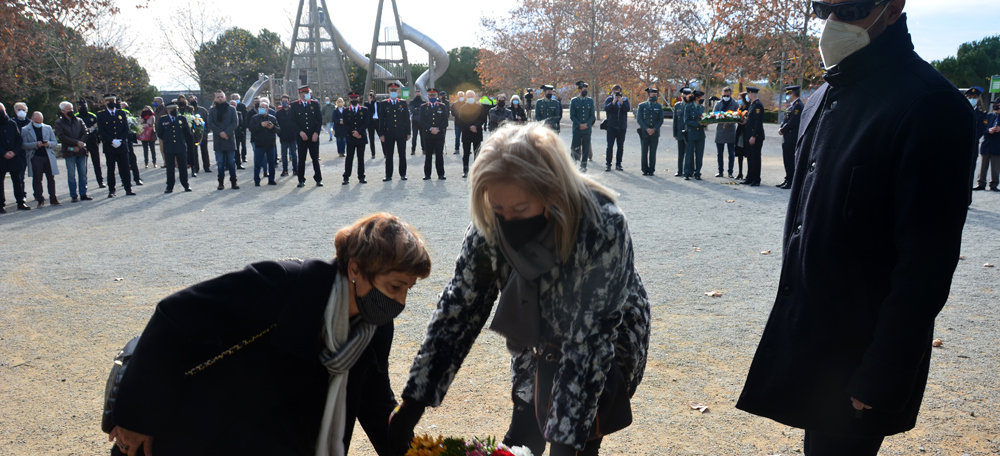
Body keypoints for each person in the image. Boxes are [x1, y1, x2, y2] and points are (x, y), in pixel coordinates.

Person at [736, 2, 976, 455]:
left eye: (850, 8)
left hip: (862, 357)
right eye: (823, 8)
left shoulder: (933, 107)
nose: (833, 23)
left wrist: (883, 371)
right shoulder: (821, 98)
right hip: (813, 343)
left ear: (893, 7)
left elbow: (926, 264)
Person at [388, 123, 651, 456]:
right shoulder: (489, 226)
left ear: (551, 192)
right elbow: (459, 309)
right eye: (499, 209)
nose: (508, 220)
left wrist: (565, 444)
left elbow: (589, 342)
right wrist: (413, 402)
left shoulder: (601, 225)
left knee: (577, 442)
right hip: (535, 331)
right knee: (525, 432)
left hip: (605, 339)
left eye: (521, 209)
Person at [106, 213, 432, 456]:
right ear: (356, 268)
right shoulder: (283, 284)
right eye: (394, 287)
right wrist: (136, 417)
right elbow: (174, 318)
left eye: (408, 290)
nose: (400, 301)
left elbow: (375, 402)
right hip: (205, 434)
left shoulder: (374, 324)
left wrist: (418, 452)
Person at [97, 94, 135, 198]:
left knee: (125, 168)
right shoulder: (101, 115)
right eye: (108, 101)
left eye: (113, 101)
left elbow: (126, 130)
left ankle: (128, 188)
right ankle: (111, 190)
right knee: (111, 169)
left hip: (121, 145)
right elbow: (101, 130)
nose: (111, 103)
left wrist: (120, 140)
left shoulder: (121, 113)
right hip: (110, 146)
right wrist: (111, 140)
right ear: (105, 102)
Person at [54, 101, 91, 202]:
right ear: (63, 111)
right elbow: (62, 137)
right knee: (71, 175)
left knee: (83, 173)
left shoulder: (79, 120)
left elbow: (85, 132)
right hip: (69, 151)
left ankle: (83, 193)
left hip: (81, 151)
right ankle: (73, 195)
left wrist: (80, 143)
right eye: (69, 109)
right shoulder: (58, 123)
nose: (71, 111)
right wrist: (75, 143)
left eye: (72, 109)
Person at [21, 111, 60, 207]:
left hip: (47, 156)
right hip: (36, 156)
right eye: (37, 122)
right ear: (32, 119)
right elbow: (23, 144)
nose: (39, 124)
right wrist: (35, 144)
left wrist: (48, 144)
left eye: (41, 122)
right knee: (37, 179)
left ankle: (53, 197)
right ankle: (40, 199)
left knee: (51, 178)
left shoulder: (48, 127)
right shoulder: (25, 129)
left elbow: (54, 142)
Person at [156, 102, 193, 193]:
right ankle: (170, 186)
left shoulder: (182, 119)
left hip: (180, 146)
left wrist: (181, 139)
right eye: (172, 109)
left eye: (175, 109)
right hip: (169, 146)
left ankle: (185, 184)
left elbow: (187, 133)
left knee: (183, 167)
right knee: (170, 168)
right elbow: (160, 133)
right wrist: (167, 140)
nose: (174, 111)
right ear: (168, 110)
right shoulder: (163, 119)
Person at [206, 90, 240, 190]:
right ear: (215, 98)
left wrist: (226, 133)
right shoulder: (212, 110)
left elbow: (235, 122)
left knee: (231, 162)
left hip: (229, 139)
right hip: (218, 139)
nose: (220, 98)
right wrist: (220, 133)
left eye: (221, 96)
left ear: (225, 98)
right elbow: (211, 123)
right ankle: (221, 183)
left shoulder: (232, 109)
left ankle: (234, 182)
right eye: (218, 97)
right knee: (220, 163)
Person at [0, 102, 30, 212]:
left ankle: (21, 202)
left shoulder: (12, 123)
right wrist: (3, 153)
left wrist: (14, 152)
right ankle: (1, 205)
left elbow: (19, 139)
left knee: (18, 181)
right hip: (1, 158)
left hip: (14, 157)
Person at [378, 83, 411, 181]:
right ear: (389, 92)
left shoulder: (403, 103)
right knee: (389, 155)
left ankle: (403, 174)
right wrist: (381, 134)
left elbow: (407, 119)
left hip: (401, 132)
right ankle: (388, 175)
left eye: (395, 90)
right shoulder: (384, 103)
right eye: (391, 90)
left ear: (398, 91)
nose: (393, 92)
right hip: (389, 133)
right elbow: (381, 120)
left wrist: (408, 132)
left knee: (402, 154)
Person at [293, 85, 324, 187]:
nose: (307, 95)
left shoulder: (315, 104)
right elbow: (292, 121)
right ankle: (301, 180)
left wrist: (316, 133)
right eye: (305, 93)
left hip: (313, 136)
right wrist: (300, 132)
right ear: (300, 94)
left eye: (308, 93)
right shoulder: (294, 105)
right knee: (301, 159)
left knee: (315, 158)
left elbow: (319, 119)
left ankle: (318, 179)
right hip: (302, 137)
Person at [458, 90, 490, 179]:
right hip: (466, 132)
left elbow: (483, 118)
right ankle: (465, 171)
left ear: (475, 97)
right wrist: (470, 127)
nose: (470, 98)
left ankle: (477, 171)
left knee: (477, 153)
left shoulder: (480, 107)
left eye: (472, 96)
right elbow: (461, 120)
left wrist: (475, 126)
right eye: (468, 97)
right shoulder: (463, 107)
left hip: (477, 132)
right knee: (466, 153)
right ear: (466, 98)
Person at [248, 99, 280, 187]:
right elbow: (251, 128)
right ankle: (257, 180)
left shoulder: (272, 118)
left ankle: (271, 179)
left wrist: (272, 127)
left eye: (263, 107)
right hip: (259, 144)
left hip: (270, 144)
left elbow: (278, 130)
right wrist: (260, 125)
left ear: (267, 108)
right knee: (257, 163)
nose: (261, 108)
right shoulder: (254, 118)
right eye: (260, 107)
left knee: (271, 163)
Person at [776, 85, 803, 189]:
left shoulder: (798, 105)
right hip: (787, 137)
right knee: (787, 159)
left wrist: (783, 129)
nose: (787, 96)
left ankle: (791, 181)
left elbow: (793, 122)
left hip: (792, 137)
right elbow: (786, 119)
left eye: (788, 94)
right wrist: (782, 127)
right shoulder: (792, 105)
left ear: (792, 94)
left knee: (791, 159)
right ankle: (787, 178)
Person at [418, 89, 448, 180]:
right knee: (428, 155)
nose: (432, 97)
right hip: (428, 134)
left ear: (437, 97)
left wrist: (438, 129)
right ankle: (427, 174)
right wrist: (430, 128)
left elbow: (445, 121)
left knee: (439, 155)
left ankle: (441, 174)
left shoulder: (442, 106)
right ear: (428, 97)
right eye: (430, 96)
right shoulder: (423, 107)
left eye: (434, 96)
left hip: (439, 134)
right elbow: (421, 120)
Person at [342, 92, 369, 185]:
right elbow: (345, 125)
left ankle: (361, 176)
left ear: (358, 99)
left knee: (360, 158)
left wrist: (359, 132)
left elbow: (366, 123)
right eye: (352, 99)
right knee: (349, 158)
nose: (354, 100)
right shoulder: (346, 111)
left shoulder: (364, 110)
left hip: (361, 137)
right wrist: (353, 133)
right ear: (349, 100)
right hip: (351, 137)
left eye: (355, 98)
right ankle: (346, 177)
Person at [636, 87, 664, 176]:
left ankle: (651, 169)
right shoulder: (642, 106)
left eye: (655, 95)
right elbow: (639, 119)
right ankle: (644, 169)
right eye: (653, 95)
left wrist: (654, 129)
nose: (654, 97)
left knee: (653, 152)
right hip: (644, 132)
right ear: (648, 96)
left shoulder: (659, 106)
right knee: (644, 151)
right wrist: (647, 129)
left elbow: (661, 119)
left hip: (655, 133)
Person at [78, 100, 105, 188]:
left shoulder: (92, 116)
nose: (83, 107)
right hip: (83, 143)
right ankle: (84, 183)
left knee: (96, 163)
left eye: (84, 105)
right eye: (81, 106)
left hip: (93, 142)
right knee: (83, 165)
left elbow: (98, 127)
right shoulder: (76, 117)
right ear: (78, 107)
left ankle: (100, 181)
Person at [974, 97, 1000, 191]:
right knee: (983, 166)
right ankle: (981, 183)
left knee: (995, 167)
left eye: (998, 105)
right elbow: (982, 128)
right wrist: (989, 130)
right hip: (987, 144)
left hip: (997, 145)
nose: (996, 107)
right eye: (995, 105)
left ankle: (994, 184)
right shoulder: (988, 115)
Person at [713, 87, 739, 178]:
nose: (726, 97)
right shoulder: (718, 103)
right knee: (719, 153)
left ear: (730, 94)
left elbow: (738, 117)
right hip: (720, 130)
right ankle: (720, 171)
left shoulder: (735, 104)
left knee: (731, 153)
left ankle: (730, 172)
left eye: (727, 95)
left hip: (731, 131)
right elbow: (714, 115)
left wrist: (729, 122)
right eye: (724, 95)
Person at [604, 84, 630, 171]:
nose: (617, 95)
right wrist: (613, 102)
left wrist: (621, 102)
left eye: (618, 92)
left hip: (622, 127)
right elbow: (606, 108)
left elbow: (627, 109)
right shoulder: (609, 99)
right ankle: (608, 164)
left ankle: (618, 164)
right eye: (615, 93)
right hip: (611, 126)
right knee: (610, 146)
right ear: (612, 92)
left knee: (620, 146)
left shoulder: (625, 100)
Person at [682, 90, 707, 180]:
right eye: (701, 97)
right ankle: (687, 172)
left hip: (700, 134)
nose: (702, 99)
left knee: (699, 154)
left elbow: (703, 118)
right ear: (697, 98)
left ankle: (697, 172)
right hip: (691, 132)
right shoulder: (688, 107)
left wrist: (705, 123)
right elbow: (686, 121)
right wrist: (698, 123)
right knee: (689, 153)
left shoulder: (701, 107)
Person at [569, 81, 595, 171]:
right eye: (584, 90)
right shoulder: (574, 101)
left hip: (587, 129)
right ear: (579, 90)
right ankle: (572, 165)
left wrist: (586, 124)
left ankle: (583, 165)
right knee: (575, 147)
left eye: (586, 90)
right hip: (577, 128)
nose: (585, 91)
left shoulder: (590, 101)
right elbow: (572, 115)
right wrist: (579, 124)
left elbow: (592, 115)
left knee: (586, 147)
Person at [742, 87, 765, 186]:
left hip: (755, 136)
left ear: (751, 94)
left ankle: (756, 179)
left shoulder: (758, 105)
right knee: (750, 157)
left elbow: (758, 123)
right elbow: (751, 120)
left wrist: (754, 136)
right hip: (749, 135)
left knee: (755, 158)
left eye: (747, 94)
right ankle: (750, 177)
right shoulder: (752, 105)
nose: (747, 96)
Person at [118, 101, 143, 187]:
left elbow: (133, 125)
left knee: (132, 160)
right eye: (123, 107)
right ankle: (124, 180)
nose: (125, 109)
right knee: (122, 162)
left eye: (126, 106)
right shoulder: (117, 115)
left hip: (128, 141)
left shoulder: (129, 116)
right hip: (120, 142)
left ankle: (137, 178)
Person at [276, 95, 299, 176]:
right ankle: (285, 170)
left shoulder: (294, 111)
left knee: (294, 154)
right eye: (283, 101)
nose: (284, 102)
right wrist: (280, 134)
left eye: (286, 101)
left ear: (289, 101)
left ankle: (295, 169)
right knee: (284, 155)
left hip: (293, 137)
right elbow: (277, 125)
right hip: (283, 137)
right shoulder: (278, 113)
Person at [190, 96, 212, 175]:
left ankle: (207, 167)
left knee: (204, 151)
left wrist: (206, 131)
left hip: (202, 135)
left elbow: (208, 121)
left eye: (194, 100)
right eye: (191, 100)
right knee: (194, 152)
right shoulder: (189, 111)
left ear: (197, 100)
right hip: (193, 136)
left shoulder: (203, 110)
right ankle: (196, 168)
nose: (193, 101)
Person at [673, 87, 691, 177]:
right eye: (684, 95)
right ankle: (680, 170)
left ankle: (689, 171)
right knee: (680, 153)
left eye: (687, 95)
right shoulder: (677, 105)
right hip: (680, 133)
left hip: (689, 132)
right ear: (682, 95)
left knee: (690, 152)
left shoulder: (691, 105)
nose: (685, 96)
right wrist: (675, 133)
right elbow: (675, 121)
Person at [733, 91, 749, 179]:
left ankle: (748, 173)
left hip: (746, 133)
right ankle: (740, 173)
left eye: (740, 99)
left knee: (747, 154)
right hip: (740, 133)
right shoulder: (740, 109)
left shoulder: (748, 108)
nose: (739, 101)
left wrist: (744, 122)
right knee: (739, 154)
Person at [232, 93, 249, 165]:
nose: (237, 100)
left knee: (244, 144)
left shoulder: (242, 106)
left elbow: (245, 116)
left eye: (237, 98)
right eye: (235, 98)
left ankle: (244, 157)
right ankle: (237, 159)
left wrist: (244, 127)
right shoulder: (231, 107)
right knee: (237, 145)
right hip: (235, 130)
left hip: (243, 128)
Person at [365, 91, 380, 159]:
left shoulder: (379, 103)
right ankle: (373, 153)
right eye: (370, 96)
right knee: (371, 139)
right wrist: (370, 102)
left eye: (373, 95)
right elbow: (370, 111)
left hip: (377, 121)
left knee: (382, 137)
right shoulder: (367, 104)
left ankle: (385, 152)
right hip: (370, 123)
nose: (372, 97)